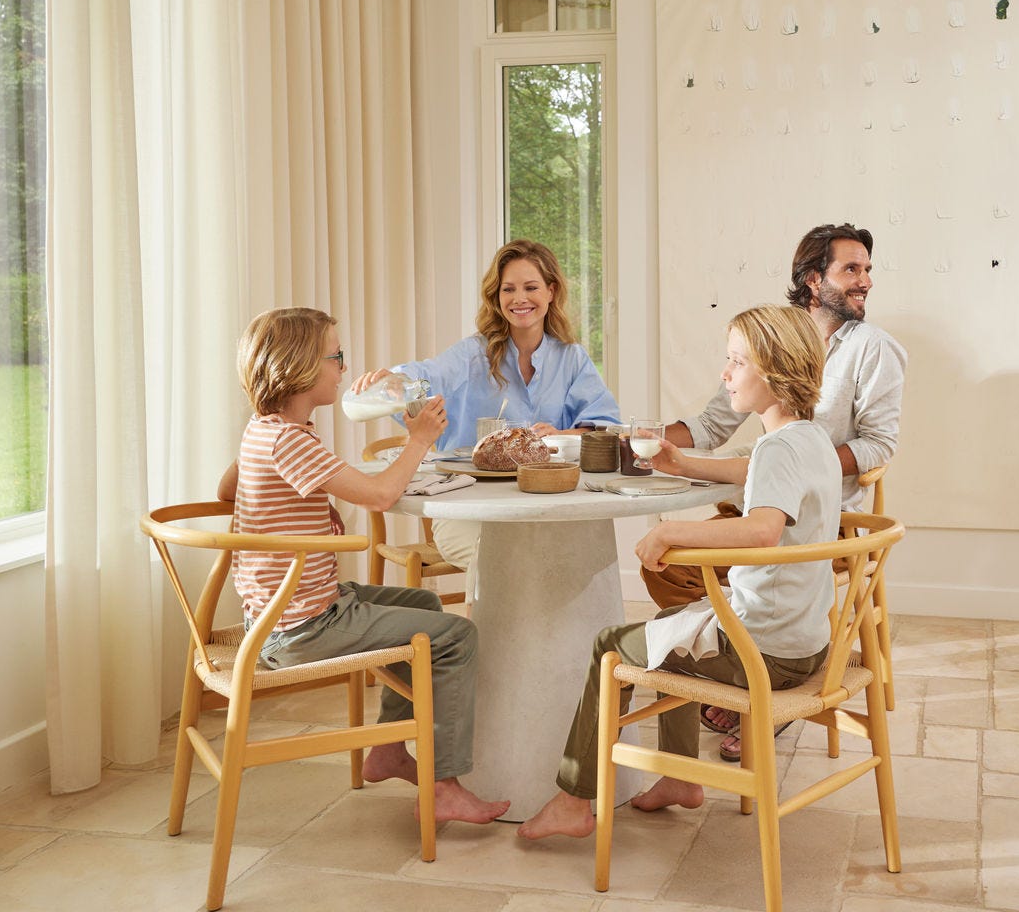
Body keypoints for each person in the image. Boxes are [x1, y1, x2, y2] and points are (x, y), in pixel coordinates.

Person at [516, 304, 842, 839]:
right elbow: (753, 468)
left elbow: (761, 529)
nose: (725, 373)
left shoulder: (780, 449)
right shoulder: (808, 440)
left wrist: (672, 531)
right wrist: (682, 463)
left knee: (611, 646)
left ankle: (575, 799)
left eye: (737, 362)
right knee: (676, 620)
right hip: (804, 643)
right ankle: (677, 780)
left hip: (761, 653)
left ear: (776, 371)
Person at [215, 307, 509, 821]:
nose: (344, 369)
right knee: (456, 635)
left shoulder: (264, 432)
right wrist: (419, 439)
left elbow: (225, 491)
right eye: (337, 356)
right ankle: (444, 786)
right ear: (302, 366)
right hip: (303, 626)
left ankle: (389, 750)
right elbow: (377, 496)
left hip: (276, 617)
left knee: (421, 602)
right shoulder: (291, 440)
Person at [646, 222, 905, 614]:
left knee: (680, 563)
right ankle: (748, 648)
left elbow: (879, 444)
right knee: (666, 567)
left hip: (822, 518)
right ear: (814, 279)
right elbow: (713, 425)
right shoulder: (772, 336)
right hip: (752, 505)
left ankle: (758, 652)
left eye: (867, 270)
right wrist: (645, 440)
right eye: (851, 269)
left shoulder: (874, 348)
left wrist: (796, 472)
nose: (865, 281)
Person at [357, 239, 621, 574]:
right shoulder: (473, 354)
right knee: (502, 567)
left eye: (531, 287)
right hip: (468, 505)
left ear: (551, 292)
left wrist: (560, 433)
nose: (519, 299)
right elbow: (427, 374)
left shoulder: (571, 358)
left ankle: (578, 629)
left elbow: (602, 428)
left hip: (545, 503)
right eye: (508, 289)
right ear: (497, 298)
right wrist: (395, 378)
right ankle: (490, 629)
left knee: (581, 555)